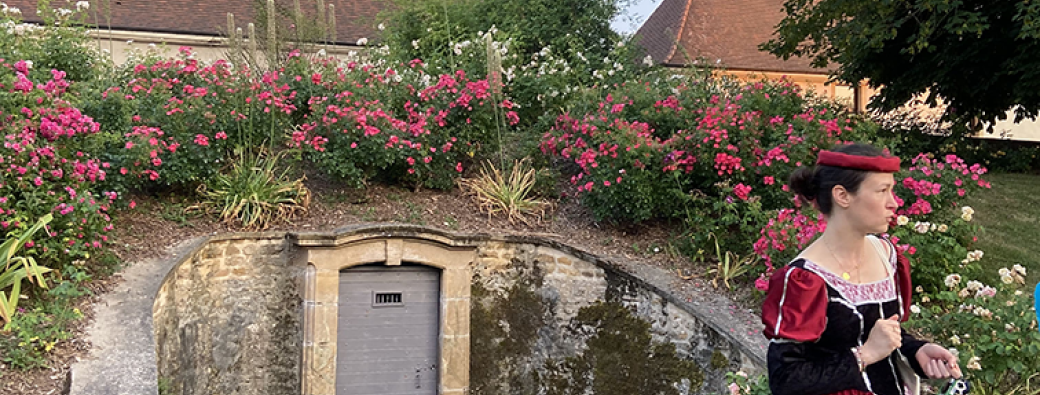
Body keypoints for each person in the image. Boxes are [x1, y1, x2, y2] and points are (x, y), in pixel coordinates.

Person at [761, 143, 962, 395]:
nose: (894, 203)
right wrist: (863, 355)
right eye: (882, 191)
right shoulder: (805, 279)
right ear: (842, 196)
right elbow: (786, 380)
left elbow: (884, 334)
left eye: (892, 190)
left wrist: (916, 351)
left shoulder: (886, 255)